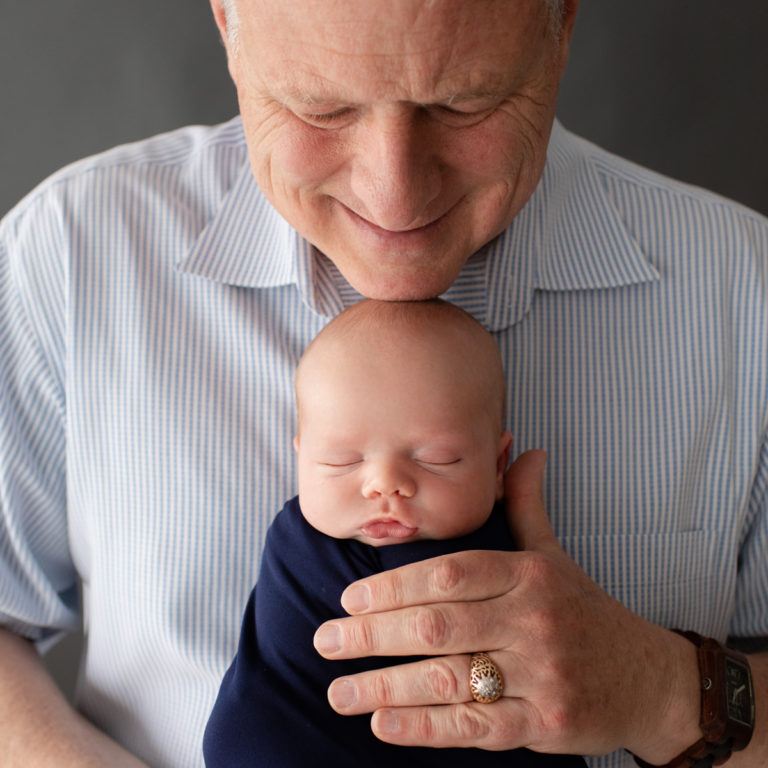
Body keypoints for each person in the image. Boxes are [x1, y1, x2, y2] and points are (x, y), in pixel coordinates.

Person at [0, 1, 765, 767]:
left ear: (561, 23)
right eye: (320, 106)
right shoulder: (69, 254)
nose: (394, 195)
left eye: (465, 102)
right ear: (229, 24)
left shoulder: (745, 291)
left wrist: (661, 691)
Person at [202, 297, 585, 767]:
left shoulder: (512, 560)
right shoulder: (295, 546)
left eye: (436, 459)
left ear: (498, 465)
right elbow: (272, 682)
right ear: (300, 459)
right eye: (341, 461)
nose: (385, 484)